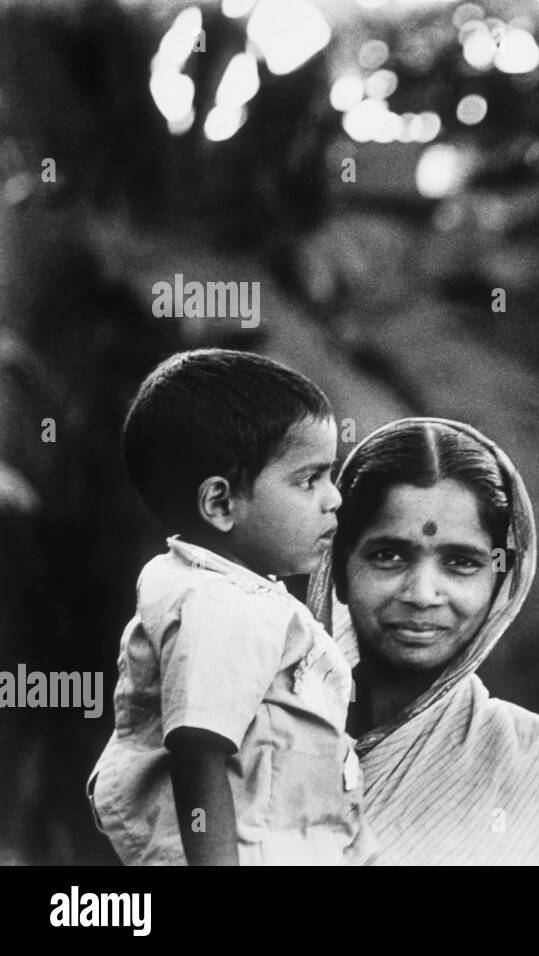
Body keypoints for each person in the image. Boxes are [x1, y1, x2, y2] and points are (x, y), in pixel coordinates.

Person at [87, 349, 370, 865]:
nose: (334, 499)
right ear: (220, 504)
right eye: (309, 480)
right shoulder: (216, 606)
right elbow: (199, 752)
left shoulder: (238, 593)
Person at [309, 417, 539, 865]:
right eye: (388, 556)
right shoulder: (256, 726)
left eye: (461, 562)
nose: (422, 594)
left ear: (502, 582)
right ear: (339, 569)